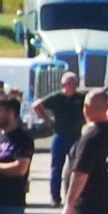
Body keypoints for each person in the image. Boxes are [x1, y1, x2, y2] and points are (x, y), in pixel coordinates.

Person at [33, 72, 86, 206]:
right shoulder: (57, 98)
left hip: (76, 136)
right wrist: (48, 120)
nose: (73, 86)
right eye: (70, 83)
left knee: (76, 167)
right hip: (60, 136)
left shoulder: (81, 98)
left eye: (75, 83)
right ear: (63, 85)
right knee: (57, 168)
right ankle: (55, 197)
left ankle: (73, 196)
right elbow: (37, 105)